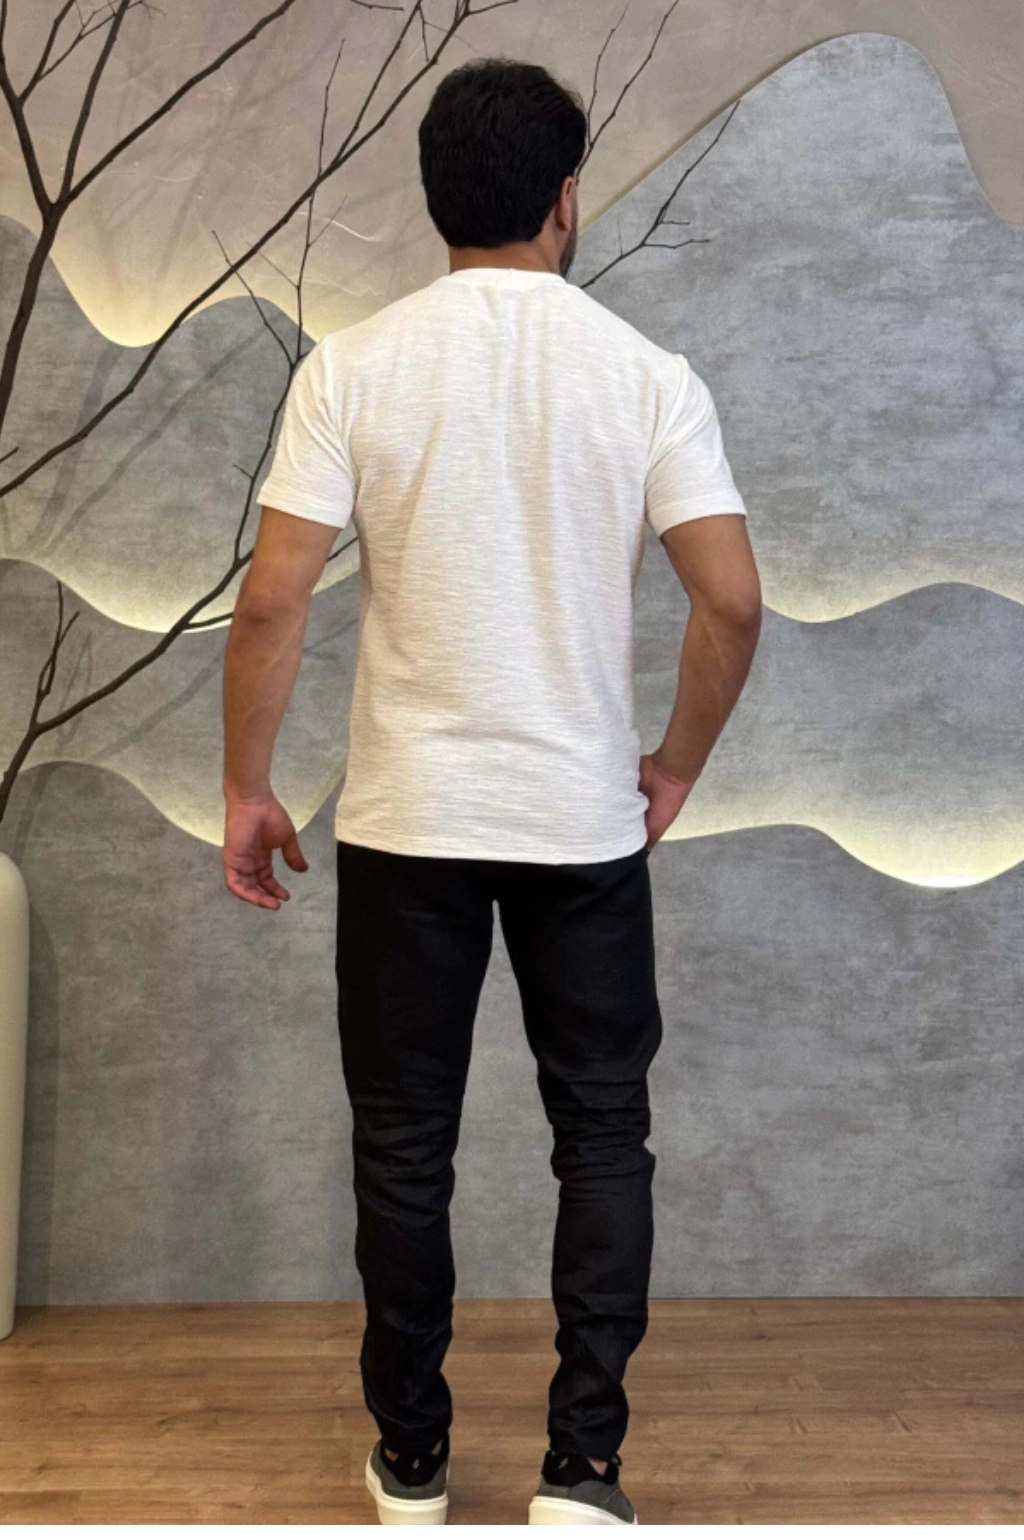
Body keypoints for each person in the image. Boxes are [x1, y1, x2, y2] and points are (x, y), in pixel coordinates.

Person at [221, 56, 761, 1527]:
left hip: (406, 822)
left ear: (436, 199)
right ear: (566, 199)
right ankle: (583, 1471)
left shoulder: (350, 368)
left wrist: (250, 789)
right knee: (603, 1135)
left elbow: (272, 603)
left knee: (405, 1147)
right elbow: (730, 600)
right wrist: (673, 765)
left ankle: (411, 1460)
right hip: (582, 822)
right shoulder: (648, 376)